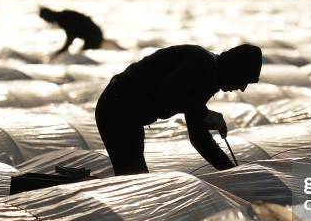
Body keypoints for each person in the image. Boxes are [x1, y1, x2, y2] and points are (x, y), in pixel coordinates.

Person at [95, 44, 263, 175]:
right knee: (133, 176)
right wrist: (205, 114)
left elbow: (199, 138)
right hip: (117, 108)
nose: (242, 88)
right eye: (244, 80)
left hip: (127, 115)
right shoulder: (202, 63)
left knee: (134, 175)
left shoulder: (209, 79)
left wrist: (230, 170)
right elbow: (170, 90)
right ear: (234, 70)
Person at [39, 7, 104, 58]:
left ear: (48, 14)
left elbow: (71, 37)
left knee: (87, 56)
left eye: (45, 18)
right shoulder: (63, 16)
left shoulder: (63, 18)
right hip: (95, 34)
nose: (46, 21)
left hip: (94, 35)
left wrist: (58, 53)